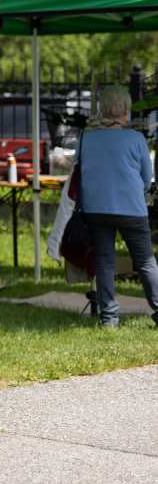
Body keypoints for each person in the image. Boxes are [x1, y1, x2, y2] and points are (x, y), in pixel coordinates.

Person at [77, 86, 157, 327]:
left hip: (96, 208)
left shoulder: (86, 138)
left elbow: (78, 169)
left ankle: (109, 317)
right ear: (126, 110)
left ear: (102, 109)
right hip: (132, 207)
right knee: (145, 261)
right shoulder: (136, 139)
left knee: (104, 262)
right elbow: (147, 177)